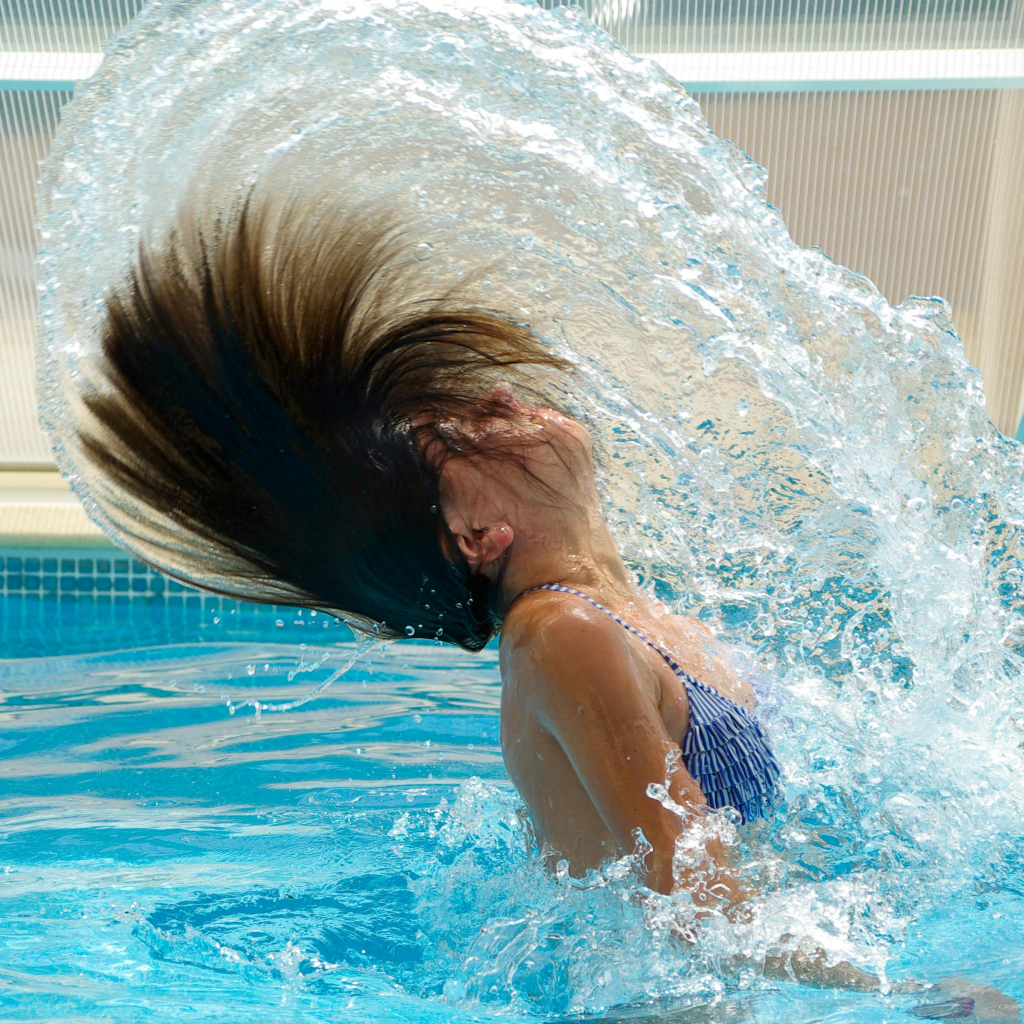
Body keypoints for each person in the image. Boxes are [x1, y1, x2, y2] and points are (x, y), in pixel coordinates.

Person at [74, 185, 1018, 1016]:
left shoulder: (624, 618)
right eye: (464, 432)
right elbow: (701, 907)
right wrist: (923, 1001)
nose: (495, 397)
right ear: (476, 535)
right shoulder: (564, 636)